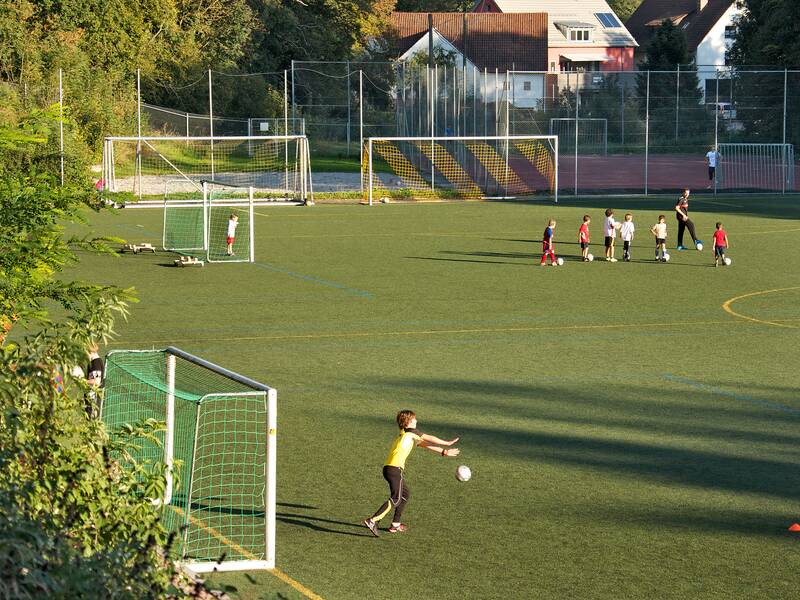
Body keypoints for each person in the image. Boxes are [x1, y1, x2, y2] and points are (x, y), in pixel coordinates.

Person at [363, 410, 460, 537]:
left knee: (404, 494)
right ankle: (373, 520)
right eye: (414, 419)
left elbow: (424, 444)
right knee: (396, 498)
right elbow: (429, 438)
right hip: (394, 469)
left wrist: (444, 452)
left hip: (390, 469)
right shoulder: (411, 432)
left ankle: (395, 524)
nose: (417, 421)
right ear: (408, 422)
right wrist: (446, 443)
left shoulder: (406, 435)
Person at [84, 342, 104, 418]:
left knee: (91, 419)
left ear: (90, 352)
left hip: (93, 398)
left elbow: (96, 381)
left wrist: (82, 381)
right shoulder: (94, 362)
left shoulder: (96, 363)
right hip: (90, 397)